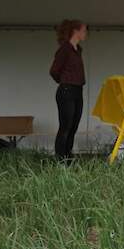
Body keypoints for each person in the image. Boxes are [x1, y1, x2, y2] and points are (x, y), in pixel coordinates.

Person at [49, 19, 87, 164]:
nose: (85, 34)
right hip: (67, 90)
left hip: (78, 90)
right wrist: (65, 81)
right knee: (65, 126)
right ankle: (60, 159)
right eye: (83, 30)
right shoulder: (65, 49)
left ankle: (68, 157)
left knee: (73, 126)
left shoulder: (78, 50)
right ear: (75, 31)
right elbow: (54, 71)